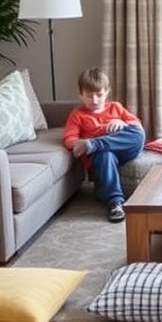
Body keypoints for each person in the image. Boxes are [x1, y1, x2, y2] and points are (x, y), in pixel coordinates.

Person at [62, 67, 146, 222]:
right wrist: (90, 139)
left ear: (107, 92)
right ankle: (115, 203)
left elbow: (136, 125)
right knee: (104, 153)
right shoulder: (77, 115)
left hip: (123, 149)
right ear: (81, 94)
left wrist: (121, 123)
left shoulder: (116, 107)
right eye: (89, 96)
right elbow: (69, 140)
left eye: (99, 95)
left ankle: (95, 144)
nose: (94, 100)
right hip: (102, 158)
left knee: (138, 133)